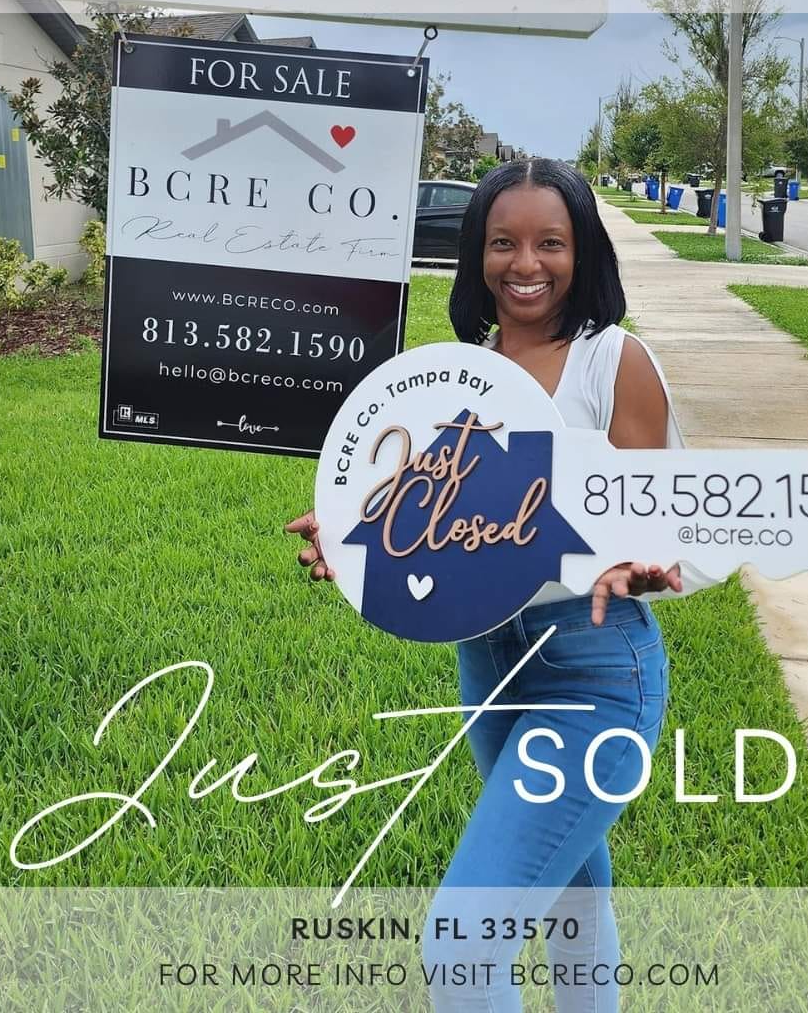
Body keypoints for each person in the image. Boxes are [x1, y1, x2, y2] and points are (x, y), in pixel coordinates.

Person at [286, 159, 706, 1011]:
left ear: (582, 251)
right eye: (503, 242)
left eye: (550, 243)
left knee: (461, 943)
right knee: (574, 898)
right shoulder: (467, 370)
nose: (526, 264)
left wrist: (646, 565)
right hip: (489, 665)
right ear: (475, 254)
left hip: (595, 673)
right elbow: (434, 520)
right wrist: (349, 534)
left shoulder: (610, 362)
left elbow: (679, 534)